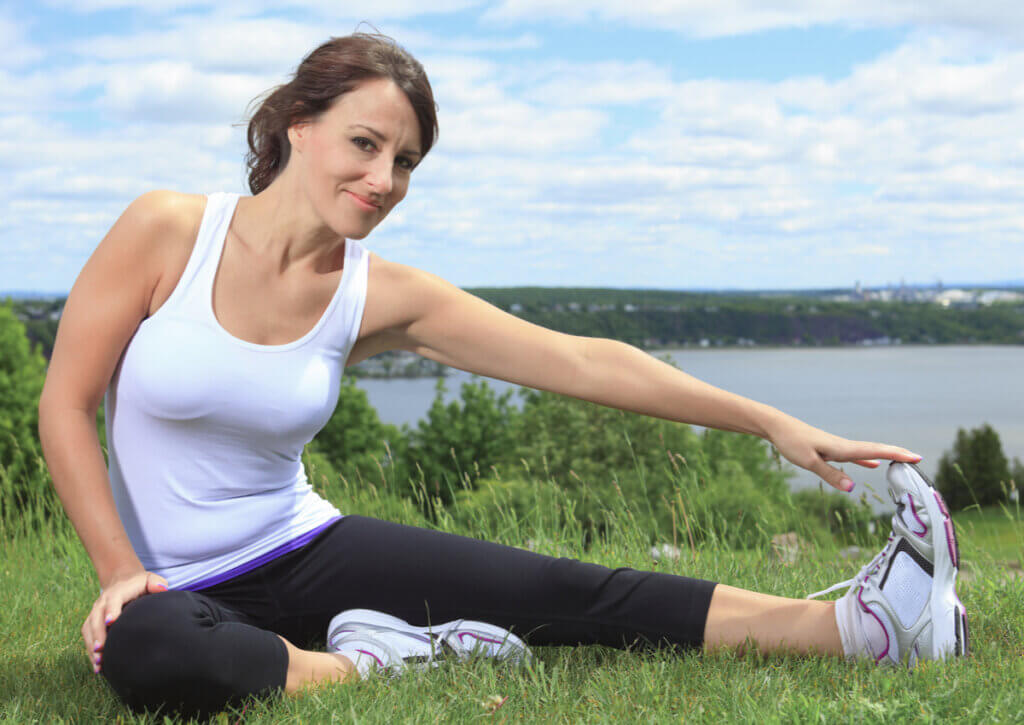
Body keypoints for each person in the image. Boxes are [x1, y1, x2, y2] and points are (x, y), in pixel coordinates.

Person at [37, 33, 968, 719]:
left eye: (405, 162)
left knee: (569, 591)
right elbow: (66, 405)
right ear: (298, 125)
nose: (385, 179)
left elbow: (579, 360)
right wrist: (122, 573)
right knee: (147, 648)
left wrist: (768, 420)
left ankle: (859, 628)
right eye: (366, 144)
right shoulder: (167, 231)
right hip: (176, 586)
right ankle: (376, 665)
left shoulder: (376, 292)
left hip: (307, 546)